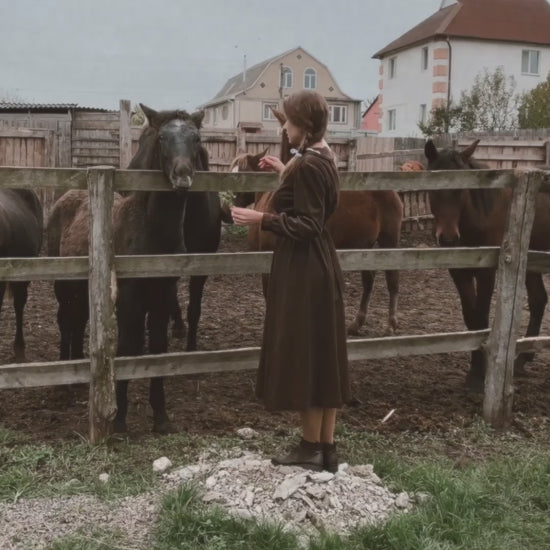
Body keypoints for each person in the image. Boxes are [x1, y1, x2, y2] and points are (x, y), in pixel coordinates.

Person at [231, 90, 350, 472]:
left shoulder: (310, 164)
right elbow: (313, 198)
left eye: (289, 121)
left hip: (305, 265)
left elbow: (309, 223)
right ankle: (326, 448)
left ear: (307, 126)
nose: (285, 127)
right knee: (322, 354)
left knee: (308, 355)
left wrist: (259, 219)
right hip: (318, 262)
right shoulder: (321, 158)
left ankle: (309, 446)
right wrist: (286, 172)